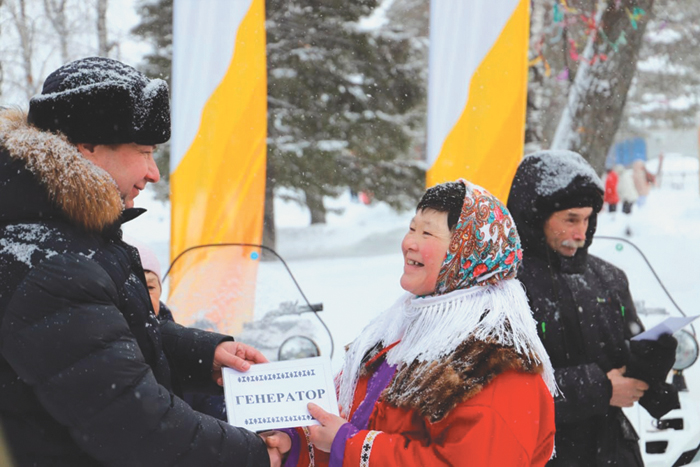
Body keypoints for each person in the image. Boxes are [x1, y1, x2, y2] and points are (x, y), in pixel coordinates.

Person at [0, 57, 282, 466]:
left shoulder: (63, 236)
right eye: (145, 152)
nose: (154, 173)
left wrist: (201, 354)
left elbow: (101, 341)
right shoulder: (54, 265)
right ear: (88, 148)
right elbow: (134, 424)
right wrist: (252, 454)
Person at [264, 180, 556, 466]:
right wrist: (296, 443)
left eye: (428, 233)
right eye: (412, 228)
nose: (409, 243)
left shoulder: (496, 366)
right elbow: (347, 423)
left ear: (465, 253)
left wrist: (350, 445)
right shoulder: (397, 334)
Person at [507, 150, 679, 466]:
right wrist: (599, 390)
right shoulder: (505, 287)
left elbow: (622, 355)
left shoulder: (609, 277)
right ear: (535, 215)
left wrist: (650, 362)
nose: (580, 232)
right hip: (543, 453)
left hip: (614, 449)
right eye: (570, 219)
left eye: (588, 219)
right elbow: (500, 393)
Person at [129, 237, 227, 421]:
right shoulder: (105, 352)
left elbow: (219, 415)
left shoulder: (183, 349)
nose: (141, 296)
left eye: (149, 286)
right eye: (132, 287)